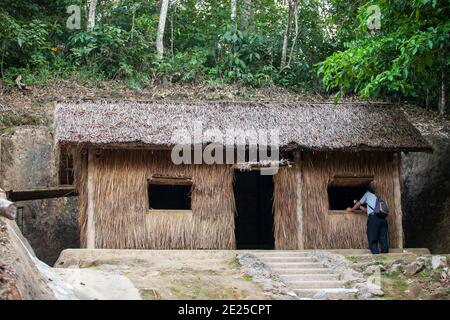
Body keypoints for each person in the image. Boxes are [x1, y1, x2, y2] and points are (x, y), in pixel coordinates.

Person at [346, 184, 389, 254]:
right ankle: (385, 255)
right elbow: (367, 210)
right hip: (383, 219)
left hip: (374, 218)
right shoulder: (377, 197)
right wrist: (360, 207)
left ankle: (376, 256)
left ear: (367, 190)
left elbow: (358, 204)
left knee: (372, 237)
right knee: (383, 238)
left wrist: (351, 209)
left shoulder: (367, 194)